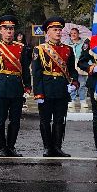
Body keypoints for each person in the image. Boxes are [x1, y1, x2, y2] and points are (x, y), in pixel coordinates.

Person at [0, 16, 31, 157]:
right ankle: (2, 147)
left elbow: (25, 68)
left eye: (11, 29)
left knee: (15, 120)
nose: (9, 32)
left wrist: (27, 87)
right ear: (1, 31)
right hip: (0, 88)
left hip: (16, 88)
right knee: (0, 120)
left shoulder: (22, 48)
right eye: (6, 29)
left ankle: (11, 147)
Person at [30, 18, 76, 157]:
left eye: (59, 30)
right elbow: (37, 73)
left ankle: (57, 147)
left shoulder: (68, 49)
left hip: (62, 89)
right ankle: (47, 147)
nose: (58, 32)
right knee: (45, 120)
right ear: (47, 32)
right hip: (46, 88)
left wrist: (73, 83)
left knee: (59, 120)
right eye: (55, 30)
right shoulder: (40, 49)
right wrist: (38, 93)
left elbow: (72, 70)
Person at [64, 26, 88, 112]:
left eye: (75, 33)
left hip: (80, 64)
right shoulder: (66, 44)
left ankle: (82, 100)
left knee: (82, 83)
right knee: (72, 83)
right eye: (72, 33)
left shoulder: (83, 44)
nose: (73, 35)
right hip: (70, 65)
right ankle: (72, 100)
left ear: (78, 34)